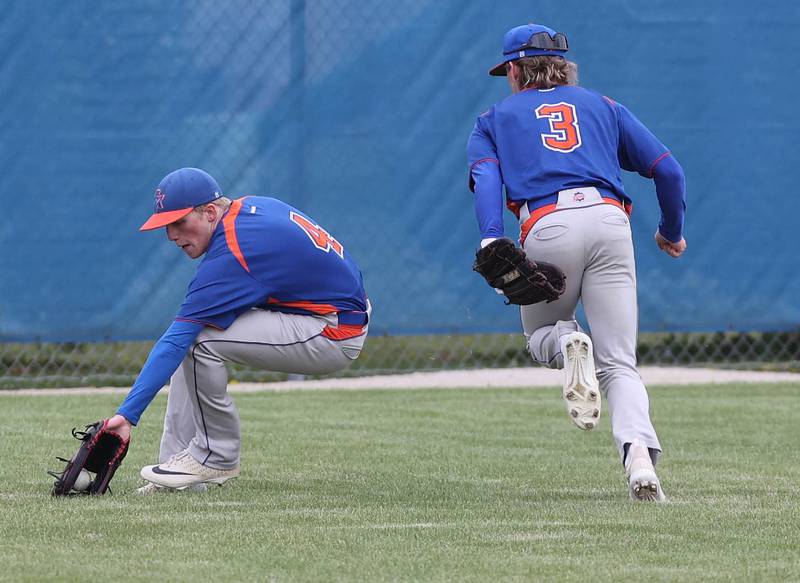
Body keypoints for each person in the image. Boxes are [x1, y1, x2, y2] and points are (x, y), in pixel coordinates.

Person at [467, 24, 686, 501]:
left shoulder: (493, 118)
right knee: (620, 363)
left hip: (548, 225)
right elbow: (668, 169)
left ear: (515, 69)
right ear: (565, 68)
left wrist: (490, 240)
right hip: (611, 224)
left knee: (541, 337)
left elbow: (486, 179)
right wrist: (670, 231)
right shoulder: (603, 106)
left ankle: (567, 340)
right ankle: (640, 461)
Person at [106, 167, 370, 493]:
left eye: (178, 222)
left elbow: (175, 339)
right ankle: (178, 477)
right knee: (196, 338)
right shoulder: (250, 209)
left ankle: (216, 455)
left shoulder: (235, 249)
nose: (172, 235)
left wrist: (127, 415)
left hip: (332, 331)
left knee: (198, 342)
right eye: (165, 226)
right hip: (331, 312)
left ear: (210, 212)